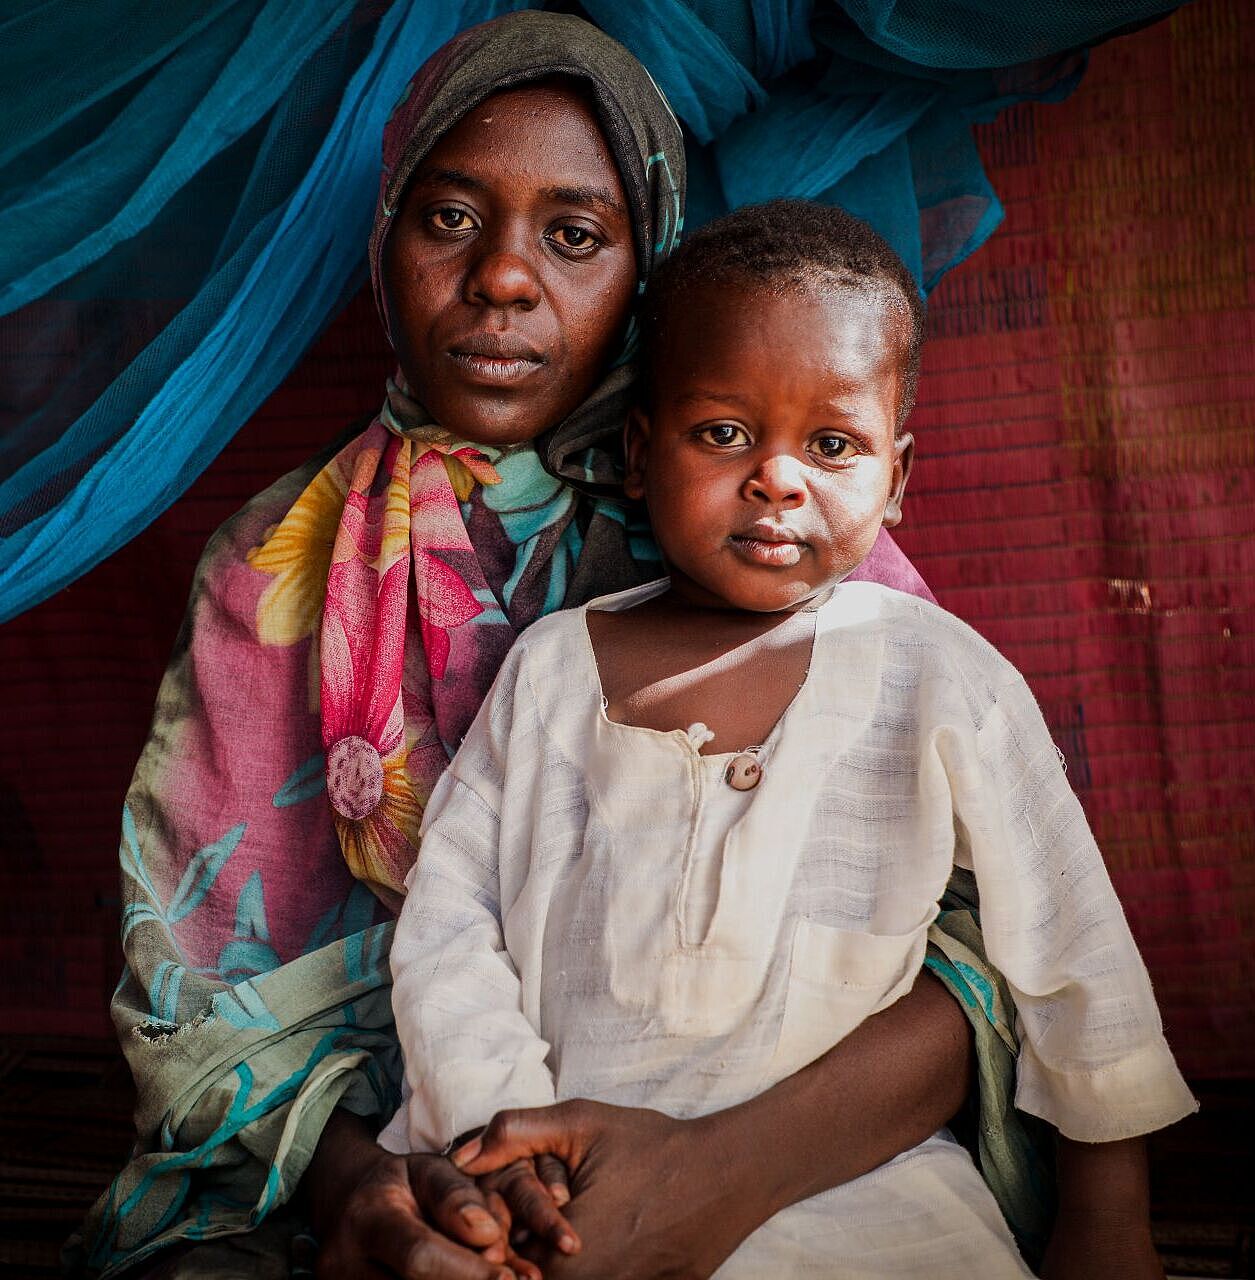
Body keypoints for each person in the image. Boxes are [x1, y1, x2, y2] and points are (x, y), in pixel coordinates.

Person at [71, 15, 1043, 1280]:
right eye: (448, 219)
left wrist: (705, 1178)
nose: (503, 279)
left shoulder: (772, 527)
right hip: (366, 1153)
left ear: (649, 262)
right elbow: (192, 984)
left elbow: (984, 958)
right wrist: (367, 1188)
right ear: (384, 242)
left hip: (763, 1139)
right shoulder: (274, 567)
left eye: (573, 235)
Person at [382, 200, 1198, 1279]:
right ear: (639, 452)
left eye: (831, 443)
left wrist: (1105, 1216)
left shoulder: (936, 674)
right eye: (722, 432)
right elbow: (449, 925)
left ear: (894, 477)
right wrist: (503, 1131)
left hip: (869, 1205)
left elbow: (1070, 946)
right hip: (568, 1203)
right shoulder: (548, 668)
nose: (776, 477)